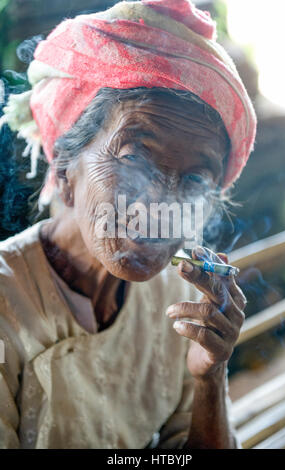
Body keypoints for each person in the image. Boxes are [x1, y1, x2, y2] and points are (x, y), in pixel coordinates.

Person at [0, 0, 256, 449]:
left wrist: (210, 376)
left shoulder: (178, 300)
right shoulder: (7, 301)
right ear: (66, 175)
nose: (160, 204)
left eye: (195, 178)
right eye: (135, 156)